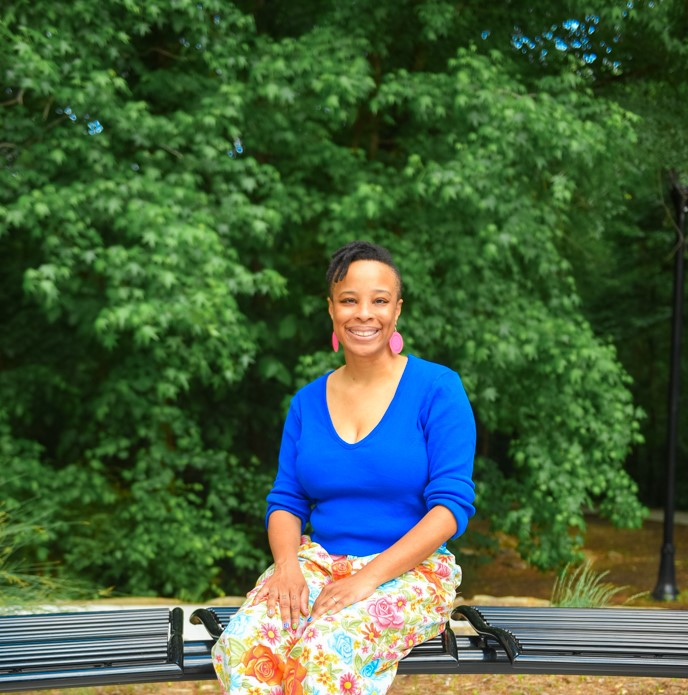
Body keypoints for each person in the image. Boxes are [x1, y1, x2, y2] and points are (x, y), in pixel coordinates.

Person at [212, 240, 476, 695]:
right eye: (349, 300)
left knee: (325, 651)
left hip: (409, 572)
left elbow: (451, 508)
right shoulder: (307, 401)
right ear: (331, 309)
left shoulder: (437, 388)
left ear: (397, 310)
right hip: (318, 564)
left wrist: (368, 579)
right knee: (243, 645)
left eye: (379, 300)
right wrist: (286, 567)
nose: (364, 313)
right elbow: (286, 502)